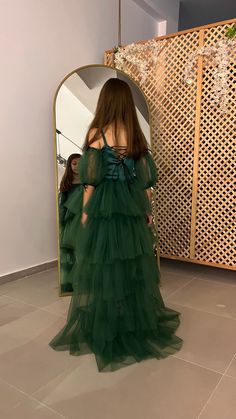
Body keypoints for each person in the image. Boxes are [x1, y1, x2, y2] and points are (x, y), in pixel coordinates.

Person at [49, 78, 183, 371]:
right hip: (131, 207)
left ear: (105, 102)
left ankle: (107, 322)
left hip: (105, 210)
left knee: (104, 265)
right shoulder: (136, 135)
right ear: (126, 103)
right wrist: (147, 210)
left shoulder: (98, 133)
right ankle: (133, 320)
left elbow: (90, 182)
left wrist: (85, 214)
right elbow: (143, 180)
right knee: (132, 265)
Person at [58, 153, 82, 293]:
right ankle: (71, 282)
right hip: (71, 219)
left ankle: (85, 280)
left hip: (85, 218)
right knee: (72, 251)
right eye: (74, 164)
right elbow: (62, 204)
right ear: (69, 165)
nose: (77, 166)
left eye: (80, 163)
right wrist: (61, 220)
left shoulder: (87, 180)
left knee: (84, 250)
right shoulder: (67, 181)